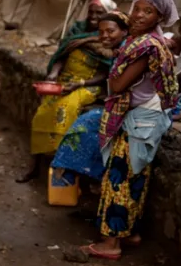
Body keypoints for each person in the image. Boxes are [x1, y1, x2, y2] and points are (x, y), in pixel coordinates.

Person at [84, 0, 179, 260]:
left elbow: (117, 85)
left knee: (119, 180)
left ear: (158, 17)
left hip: (138, 122)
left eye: (148, 11)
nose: (138, 15)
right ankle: (131, 233)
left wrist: (115, 74)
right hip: (145, 121)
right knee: (136, 179)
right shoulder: (152, 41)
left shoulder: (145, 47)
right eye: (137, 8)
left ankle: (111, 243)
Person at [17, 0, 117, 183]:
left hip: (88, 84)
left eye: (99, 13)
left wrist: (80, 83)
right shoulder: (77, 31)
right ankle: (35, 166)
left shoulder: (108, 37)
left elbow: (107, 73)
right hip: (65, 80)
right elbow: (62, 54)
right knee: (42, 113)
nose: (94, 16)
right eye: (91, 12)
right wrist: (54, 73)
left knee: (65, 109)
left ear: (108, 16)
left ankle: (60, 169)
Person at [51, 11, 130, 185]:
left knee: (84, 127)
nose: (104, 36)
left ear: (124, 31)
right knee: (83, 126)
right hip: (118, 105)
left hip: (131, 109)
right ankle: (78, 175)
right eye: (101, 32)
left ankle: (75, 175)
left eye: (110, 31)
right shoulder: (118, 51)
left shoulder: (128, 52)